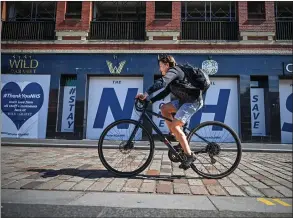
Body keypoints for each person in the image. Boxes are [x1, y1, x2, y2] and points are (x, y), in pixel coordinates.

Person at [135, 55, 204, 169]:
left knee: (175, 126)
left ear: (167, 65)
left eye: (161, 66)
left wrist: (146, 93)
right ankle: (174, 135)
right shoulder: (173, 77)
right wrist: (150, 100)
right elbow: (165, 92)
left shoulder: (174, 71)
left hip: (193, 102)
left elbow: (162, 83)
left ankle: (189, 156)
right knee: (164, 109)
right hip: (184, 101)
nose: (160, 69)